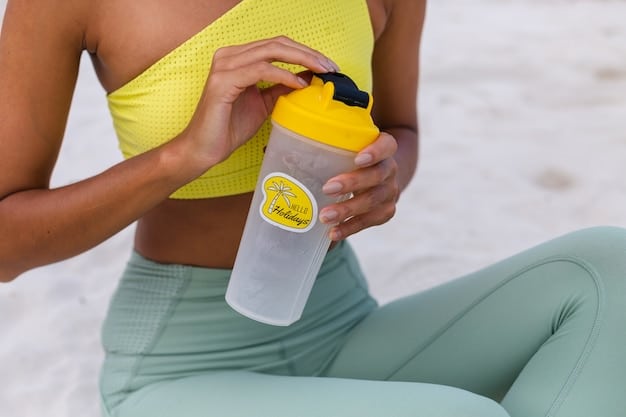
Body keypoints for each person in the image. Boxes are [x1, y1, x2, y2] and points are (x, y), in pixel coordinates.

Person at [1, 0, 625, 416]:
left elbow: (399, 129)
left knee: (608, 271)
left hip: (342, 322)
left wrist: (388, 178)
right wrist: (181, 156)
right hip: (182, 367)